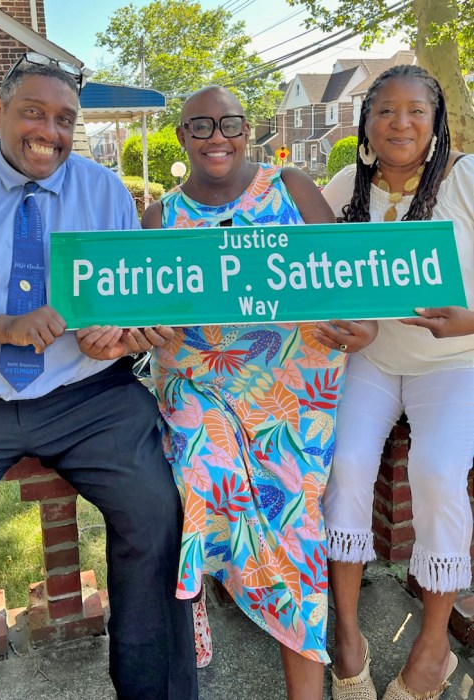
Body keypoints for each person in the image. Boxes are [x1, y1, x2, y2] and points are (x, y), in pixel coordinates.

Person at [0, 53, 197, 700]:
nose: (48, 129)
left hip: (85, 394)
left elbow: (118, 304)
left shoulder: (103, 191)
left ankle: (154, 690)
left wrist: (121, 340)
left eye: (64, 118)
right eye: (32, 112)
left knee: (157, 511)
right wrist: (1, 327)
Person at [139, 85, 376, 699]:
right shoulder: (160, 217)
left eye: (230, 123)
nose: (217, 136)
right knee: (200, 464)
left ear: (248, 129)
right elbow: (134, 319)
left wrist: (361, 324)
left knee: (296, 528)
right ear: (182, 135)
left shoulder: (292, 187)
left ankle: (306, 690)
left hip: (292, 393)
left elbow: (347, 279)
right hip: (200, 383)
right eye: (200, 125)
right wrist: (134, 331)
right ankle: (196, 580)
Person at [316, 64, 474, 700]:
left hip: (454, 364)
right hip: (373, 361)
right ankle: (346, 631)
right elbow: (299, 265)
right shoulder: (345, 186)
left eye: (415, 111)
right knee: (346, 463)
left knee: (438, 471)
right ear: (365, 122)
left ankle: (433, 644)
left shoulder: (466, 179)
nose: (399, 123)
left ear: (435, 121)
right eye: (384, 111)